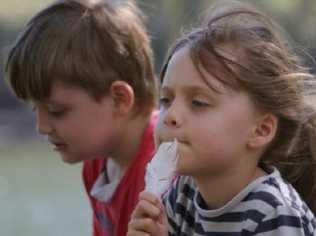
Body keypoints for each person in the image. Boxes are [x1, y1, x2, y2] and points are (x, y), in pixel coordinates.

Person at [127, 1, 316, 235]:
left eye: (198, 103)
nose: (171, 116)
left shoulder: (274, 214)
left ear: (261, 130)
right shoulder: (182, 196)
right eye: (166, 100)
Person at [4, 0, 158, 235]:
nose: (41, 127)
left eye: (56, 111)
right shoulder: (97, 163)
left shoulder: (161, 176)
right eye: (37, 109)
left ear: (119, 99)